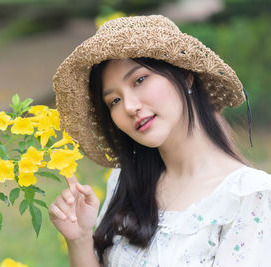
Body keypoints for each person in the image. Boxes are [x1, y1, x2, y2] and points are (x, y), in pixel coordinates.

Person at [48, 15, 271, 266]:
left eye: (140, 80)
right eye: (114, 101)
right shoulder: (123, 182)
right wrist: (79, 239)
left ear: (185, 74)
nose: (130, 106)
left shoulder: (248, 195)